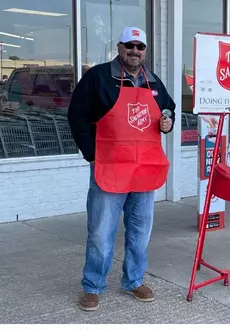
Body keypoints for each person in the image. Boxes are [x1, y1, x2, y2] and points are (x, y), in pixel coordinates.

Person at [67, 27, 175, 312]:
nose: (135, 51)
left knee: (140, 232)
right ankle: (92, 286)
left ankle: (134, 280)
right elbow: (76, 115)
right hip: (110, 167)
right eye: (130, 45)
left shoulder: (153, 81)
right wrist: (91, 154)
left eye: (140, 46)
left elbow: (168, 108)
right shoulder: (99, 77)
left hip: (144, 170)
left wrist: (168, 120)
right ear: (120, 46)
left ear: (145, 51)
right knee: (101, 232)